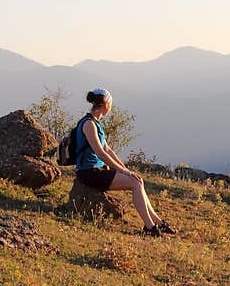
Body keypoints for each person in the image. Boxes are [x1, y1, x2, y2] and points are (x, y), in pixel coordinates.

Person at [74, 88, 176, 237]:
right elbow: (100, 153)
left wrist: (125, 170)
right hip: (89, 173)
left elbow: (108, 150)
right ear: (106, 104)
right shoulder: (89, 124)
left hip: (97, 171)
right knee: (135, 184)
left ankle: (158, 223)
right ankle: (150, 228)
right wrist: (125, 172)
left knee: (137, 180)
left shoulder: (95, 124)